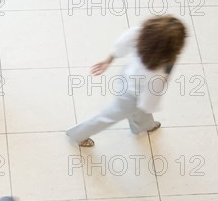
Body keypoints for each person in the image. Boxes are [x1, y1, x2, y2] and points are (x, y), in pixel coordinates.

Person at [66, 15, 187, 147]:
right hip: (132, 95)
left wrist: (108, 61)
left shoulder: (141, 32)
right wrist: (148, 106)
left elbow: (121, 43)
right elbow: (149, 99)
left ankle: (145, 126)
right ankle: (78, 134)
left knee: (138, 111)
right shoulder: (157, 72)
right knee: (108, 116)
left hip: (126, 78)